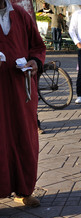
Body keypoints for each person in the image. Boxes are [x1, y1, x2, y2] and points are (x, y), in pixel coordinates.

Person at [0, 0, 46, 207]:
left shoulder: (19, 14)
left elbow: (37, 46)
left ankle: (24, 189)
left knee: (24, 136)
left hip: (21, 87)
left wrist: (35, 62)